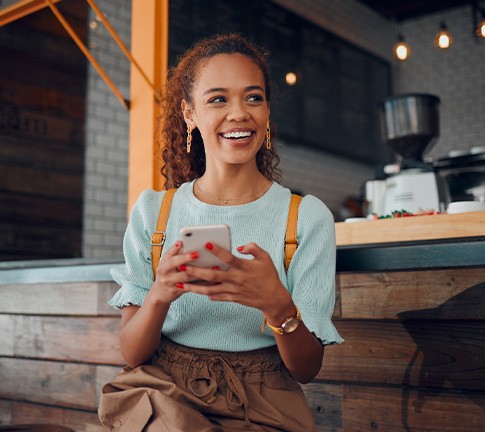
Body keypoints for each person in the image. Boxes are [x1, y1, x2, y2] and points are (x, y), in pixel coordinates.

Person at [98, 33, 343, 432]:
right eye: (218, 99)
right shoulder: (153, 213)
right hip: (165, 394)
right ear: (189, 113)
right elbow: (132, 351)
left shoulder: (306, 218)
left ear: (266, 111)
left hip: (266, 404)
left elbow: (306, 370)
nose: (239, 114)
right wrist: (160, 294)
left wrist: (278, 307)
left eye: (253, 98)